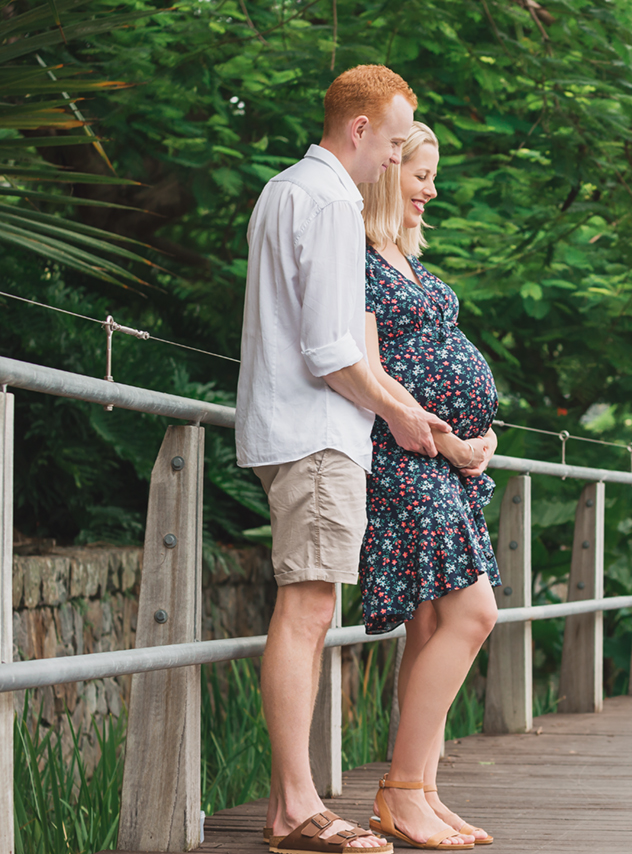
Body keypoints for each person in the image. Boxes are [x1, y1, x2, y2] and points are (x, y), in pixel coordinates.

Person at [237, 65, 448, 854]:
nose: (396, 161)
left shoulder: (281, 188)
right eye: (394, 144)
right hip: (316, 434)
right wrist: (403, 413)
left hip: (289, 429)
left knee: (311, 609)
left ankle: (297, 801)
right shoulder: (331, 200)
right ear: (360, 131)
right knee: (308, 612)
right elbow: (331, 349)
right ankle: (296, 806)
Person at [357, 120, 500, 850]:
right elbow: (373, 373)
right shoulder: (357, 258)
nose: (430, 190)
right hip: (405, 459)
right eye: (419, 175)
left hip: (448, 464)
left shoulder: (406, 262)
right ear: (387, 172)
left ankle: (421, 792)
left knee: (434, 627)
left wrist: (484, 439)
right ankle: (401, 788)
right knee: (475, 615)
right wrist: (446, 438)